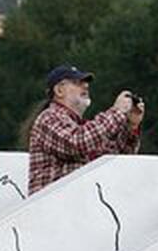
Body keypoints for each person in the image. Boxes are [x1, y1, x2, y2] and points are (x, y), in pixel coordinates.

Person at [27, 65, 144, 194]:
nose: (86, 86)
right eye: (77, 82)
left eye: (86, 83)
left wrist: (131, 127)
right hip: (51, 207)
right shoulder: (48, 118)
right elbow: (78, 144)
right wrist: (117, 112)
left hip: (71, 205)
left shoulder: (81, 128)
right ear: (59, 90)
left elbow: (114, 160)